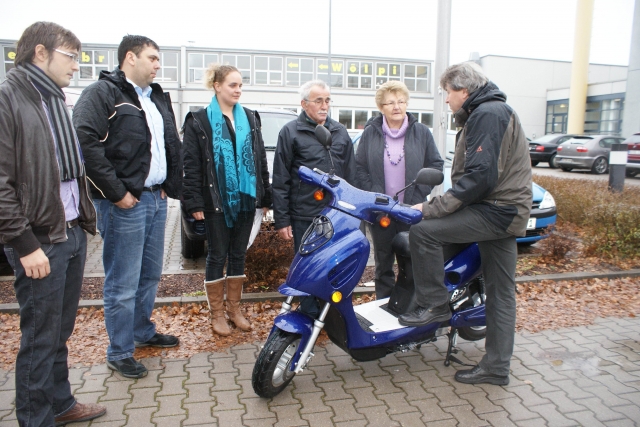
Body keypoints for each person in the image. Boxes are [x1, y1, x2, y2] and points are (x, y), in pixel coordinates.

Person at [398, 62, 532, 386]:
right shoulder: (489, 111)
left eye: (447, 92)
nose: (446, 99)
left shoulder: (488, 113)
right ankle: (497, 368)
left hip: (495, 210)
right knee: (501, 294)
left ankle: (435, 307)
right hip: (505, 211)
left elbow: (479, 178)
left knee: (423, 233)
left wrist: (433, 207)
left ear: (464, 91)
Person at [0, 21, 106, 426]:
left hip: (71, 231)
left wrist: (82, 224)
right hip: (40, 240)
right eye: (71, 56)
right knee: (40, 338)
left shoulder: (53, 100)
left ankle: (60, 404)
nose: (76, 65)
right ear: (40, 53)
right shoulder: (10, 99)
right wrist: (25, 245)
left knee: (58, 331)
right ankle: (35, 419)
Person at [73, 35, 183, 379]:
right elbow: (84, 142)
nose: (157, 64)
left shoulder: (155, 98)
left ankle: (142, 332)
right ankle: (119, 351)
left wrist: (167, 185)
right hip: (124, 204)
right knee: (123, 281)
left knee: (150, 274)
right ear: (130, 58)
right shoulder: (103, 93)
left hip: (155, 199)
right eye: (152, 57)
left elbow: (167, 145)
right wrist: (117, 192)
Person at [182, 64, 271, 336]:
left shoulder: (250, 118)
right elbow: (191, 164)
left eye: (240, 85)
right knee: (216, 255)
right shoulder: (198, 120)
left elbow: (259, 158)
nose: (238, 90)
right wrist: (194, 203)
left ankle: (234, 309)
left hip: (246, 199)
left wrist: (265, 195)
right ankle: (217, 314)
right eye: (233, 85)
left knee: (237, 254)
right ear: (217, 85)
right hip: (216, 200)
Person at [272, 80, 356, 315]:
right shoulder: (290, 132)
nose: (324, 105)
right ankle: (309, 315)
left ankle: (332, 315)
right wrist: (282, 219)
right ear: (304, 103)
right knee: (308, 269)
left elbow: (351, 174)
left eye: (327, 100)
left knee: (336, 267)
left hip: (337, 216)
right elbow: (280, 178)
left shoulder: (339, 131)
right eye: (318, 100)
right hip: (304, 215)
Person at [355, 81, 443, 299]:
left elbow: (435, 164)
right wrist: (376, 196)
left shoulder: (421, 132)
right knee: (383, 261)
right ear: (381, 107)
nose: (397, 106)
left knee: (412, 259)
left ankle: (409, 303)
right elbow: (359, 167)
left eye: (401, 101)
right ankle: (383, 303)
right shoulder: (370, 133)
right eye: (391, 102)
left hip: (411, 209)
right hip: (381, 211)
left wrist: (417, 196)